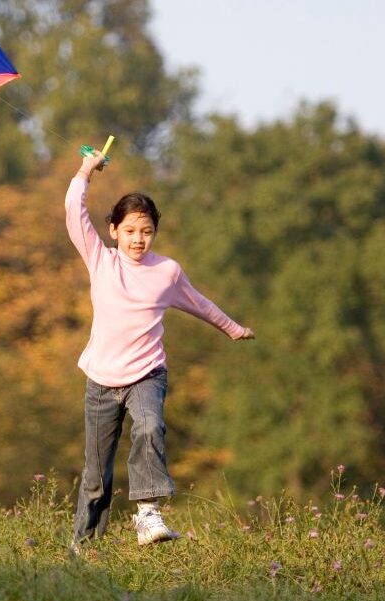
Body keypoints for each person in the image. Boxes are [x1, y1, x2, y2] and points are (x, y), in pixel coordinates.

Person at [66, 148, 255, 550]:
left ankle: (148, 513)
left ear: (155, 233)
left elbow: (199, 303)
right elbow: (73, 211)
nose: (138, 239)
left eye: (147, 231)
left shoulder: (166, 271)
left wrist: (233, 328)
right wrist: (86, 170)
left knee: (150, 426)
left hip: (147, 374)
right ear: (114, 230)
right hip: (101, 380)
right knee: (96, 476)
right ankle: (85, 548)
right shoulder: (100, 260)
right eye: (130, 230)